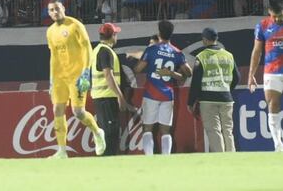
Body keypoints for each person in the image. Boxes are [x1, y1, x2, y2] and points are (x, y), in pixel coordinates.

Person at [45, 0, 105, 158]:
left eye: (57, 8)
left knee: (78, 112)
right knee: (57, 109)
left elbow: (87, 49)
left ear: (63, 8)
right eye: (51, 10)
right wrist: (52, 78)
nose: (55, 12)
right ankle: (62, 151)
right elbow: (53, 56)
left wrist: (86, 72)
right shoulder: (50, 31)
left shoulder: (75, 25)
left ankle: (97, 132)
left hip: (77, 75)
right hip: (59, 77)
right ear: (49, 13)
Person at [134, 20, 192, 155]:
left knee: (147, 128)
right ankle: (166, 158)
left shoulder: (151, 50)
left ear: (159, 33)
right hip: (168, 95)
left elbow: (137, 69)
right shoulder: (177, 52)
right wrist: (171, 73)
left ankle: (149, 158)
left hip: (151, 94)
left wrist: (146, 62)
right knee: (166, 130)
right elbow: (188, 73)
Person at [187, 27, 239, 153]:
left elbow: (196, 82)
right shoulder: (228, 55)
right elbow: (237, 77)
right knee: (228, 129)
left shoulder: (202, 56)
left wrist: (191, 102)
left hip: (208, 99)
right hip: (226, 99)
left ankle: (220, 158)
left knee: (214, 130)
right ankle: (231, 156)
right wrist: (226, 89)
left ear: (204, 40)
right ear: (216, 39)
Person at [91, 22, 132, 156]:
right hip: (106, 98)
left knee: (109, 132)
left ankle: (107, 161)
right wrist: (121, 97)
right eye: (116, 34)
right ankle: (107, 161)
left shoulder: (97, 50)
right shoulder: (105, 51)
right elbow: (108, 75)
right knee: (110, 133)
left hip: (102, 97)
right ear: (112, 35)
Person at [248, 0, 283, 151]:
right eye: (275, 16)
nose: (277, 19)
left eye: (280, 15)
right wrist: (251, 74)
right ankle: (278, 146)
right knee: (272, 106)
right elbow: (257, 51)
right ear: (269, 12)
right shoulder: (262, 26)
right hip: (272, 72)